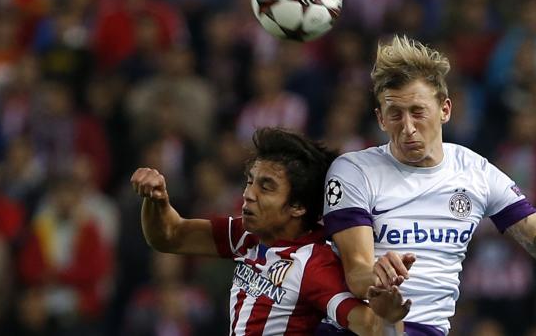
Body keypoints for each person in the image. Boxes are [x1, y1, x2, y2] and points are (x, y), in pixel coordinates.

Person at [323, 36, 536, 335]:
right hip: (359, 328)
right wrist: (376, 276)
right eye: (395, 115)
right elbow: (356, 271)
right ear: (380, 119)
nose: (408, 127)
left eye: (418, 111)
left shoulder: (476, 172)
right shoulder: (354, 170)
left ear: (445, 109)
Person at [132, 127, 411, 335]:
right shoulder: (245, 234)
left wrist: (388, 318)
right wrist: (157, 200)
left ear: (298, 206)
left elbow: (370, 327)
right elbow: (169, 235)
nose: (248, 195)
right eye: (250, 182)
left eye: (266, 187)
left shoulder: (313, 265)